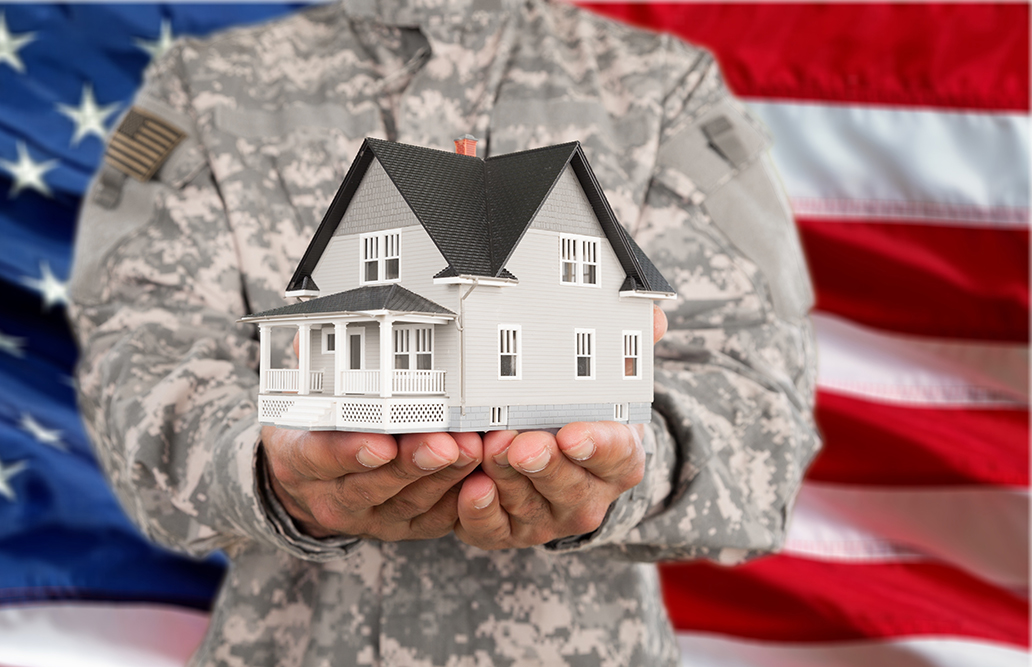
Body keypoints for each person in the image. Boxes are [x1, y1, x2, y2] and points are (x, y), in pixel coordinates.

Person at [68, 0, 821, 664]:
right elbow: (134, 356)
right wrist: (263, 465)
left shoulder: (663, 91)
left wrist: (635, 463)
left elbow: (764, 404)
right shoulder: (208, 90)